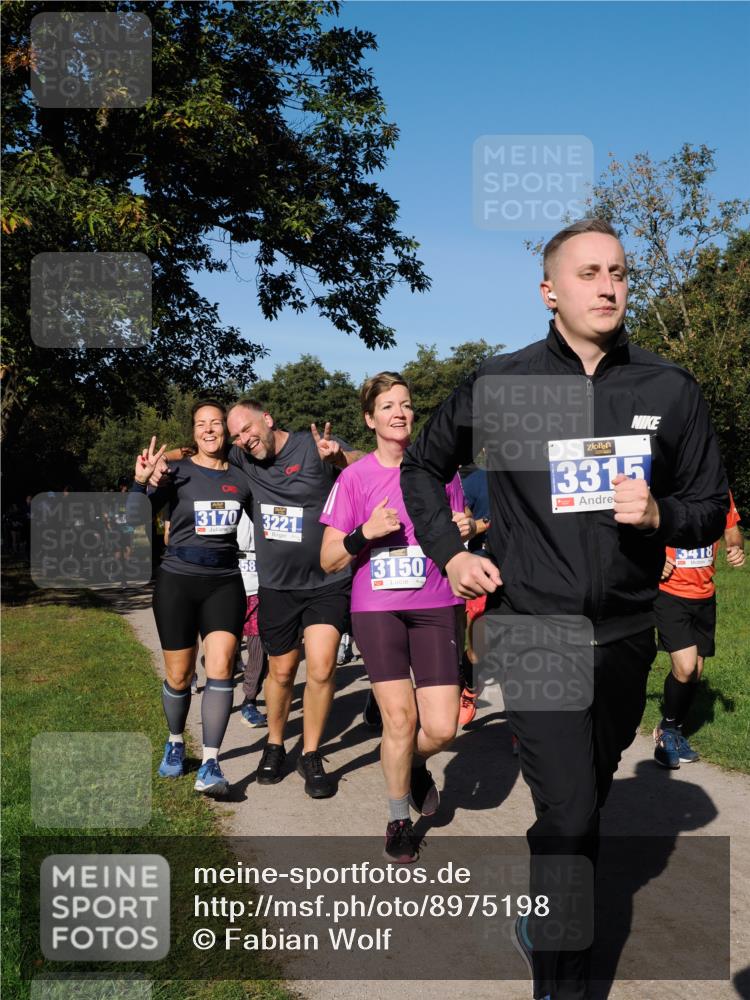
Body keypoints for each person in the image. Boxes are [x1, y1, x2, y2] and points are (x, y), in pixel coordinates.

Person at [400, 218, 728, 1000]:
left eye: (618, 271)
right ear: (550, 291)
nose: (608, 284)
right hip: (532, 625)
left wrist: (660, 519)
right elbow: (422, 466)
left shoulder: (668, 388)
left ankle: (540, 906)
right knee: (574, 810)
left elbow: (709, 506)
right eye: (588, 273)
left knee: (585, 796)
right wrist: (450, 551)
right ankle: (562, 981)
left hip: (623, 633)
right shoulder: (500, 383)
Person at [320, 372, 474, 862]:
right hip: (378, 609)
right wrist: (363, 531)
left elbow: (455, 537)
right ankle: (396, 819)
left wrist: (464, 529)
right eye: (388, 406)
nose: (400, 413)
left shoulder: (442, 474)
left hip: (435, 603)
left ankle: (411, 767)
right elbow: (328, 559)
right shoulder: (355, 477)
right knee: (400, 719)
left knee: (444, 727)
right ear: (370, 419)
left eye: (406, 404)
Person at [223, 402, 361, 798]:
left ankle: (312, 752)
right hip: (277, 585)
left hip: (327, 580)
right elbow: (203, 451)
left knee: (320, 667)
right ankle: (275, 743)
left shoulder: (313, 445)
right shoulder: (243, 456)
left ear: (267, 418)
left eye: (248, 429)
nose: (244, 440)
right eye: (237, 436)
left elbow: (362, 463)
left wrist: (339, 457)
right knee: (281, 673)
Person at [133, 401, 253, 797]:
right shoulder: (175, 473)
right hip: (177, 583)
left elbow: (268, 524)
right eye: (201, 424)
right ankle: (175, 741)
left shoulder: (242, 478)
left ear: (225, 431)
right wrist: (142, 483)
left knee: (221, 668)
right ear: (193, 432)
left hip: (224, 582)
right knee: (180, 675)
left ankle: (211, 762)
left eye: (215, 423)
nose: (208, 430)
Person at [653, 490, 744, 767]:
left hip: (705, 595)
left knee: (696, 671)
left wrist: (736, 547)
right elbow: (638, 530)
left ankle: (676, 730)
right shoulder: (663, 487)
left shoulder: (717, 493)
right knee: (686, 667)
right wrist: (654, 558)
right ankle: (665, 733)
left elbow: (732, 530)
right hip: (670, 593)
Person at [236, 510, 268, 728]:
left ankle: (249, 700)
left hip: (260, 582)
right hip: (229, 581)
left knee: (258, 646)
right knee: (223, 648)